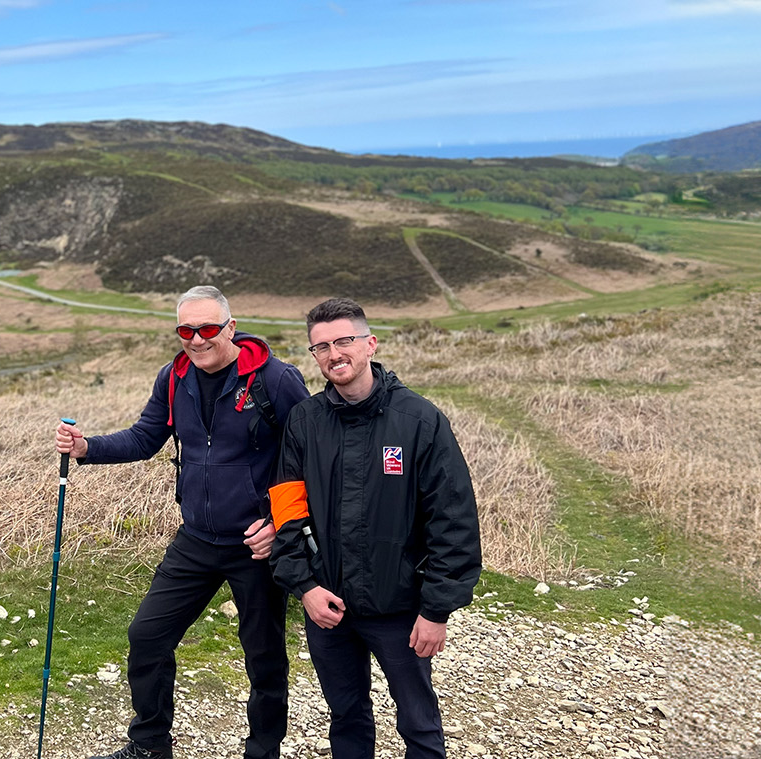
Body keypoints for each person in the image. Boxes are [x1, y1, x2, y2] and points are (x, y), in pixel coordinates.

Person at [55, 285, 310, 759]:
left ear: (230, 328)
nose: (197, 339)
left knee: (264, 658)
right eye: (186, 330)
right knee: (146, 636)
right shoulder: (174, 378)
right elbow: (145, 437)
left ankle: (263, 751)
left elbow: (311, 456)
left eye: (208, 328)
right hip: (195, 539)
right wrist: (87, 448)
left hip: (256, 545)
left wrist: (280, 524)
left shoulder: (277, 380)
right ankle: (150, 746)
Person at [267, 297, 482, 759]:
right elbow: (286, 509)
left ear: (370, 344)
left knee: (419, 723)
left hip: (400, 608)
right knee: (346, 717)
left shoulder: (420, 421)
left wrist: (436, 609)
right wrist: (304, 586)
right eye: (320, 347)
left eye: (343, 341)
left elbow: (453, 520)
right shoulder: (305, 421)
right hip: (328, 606)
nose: (333, 354)